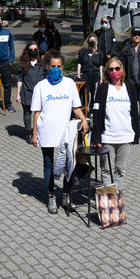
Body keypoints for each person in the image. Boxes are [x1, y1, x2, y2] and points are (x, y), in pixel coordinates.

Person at [31, 51, 89, 214]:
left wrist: (84, 119)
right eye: (53, 66)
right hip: (47, 130)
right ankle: (50, 196)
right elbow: (36, 112)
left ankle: (66, 195)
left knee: (69, 164)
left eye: (59, 66)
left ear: (62, 67)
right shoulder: (41, 86)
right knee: (48, 163)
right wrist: (34, 133)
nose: (56, 69)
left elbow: (75, 107)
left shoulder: (70, 83)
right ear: (47, 67)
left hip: (66, 132)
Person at [90, 57, 139, 190]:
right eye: (111, 69)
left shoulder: (129, 87)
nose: (114, 71)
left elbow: (134, 112)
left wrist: (136, 134)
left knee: (120, 170)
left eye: (117, 68)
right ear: (107, 71)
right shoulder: (103, 89)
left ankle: (117, 197)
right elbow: (97, 113)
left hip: (126, 137)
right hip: (108, 137)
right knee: (106, 170)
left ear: (122, 70)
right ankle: (109, 199)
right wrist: (96, 137)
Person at [16, 42, 46, 144]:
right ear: (27, 51)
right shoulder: (23, 64)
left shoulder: (42, 63)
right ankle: (28, 132)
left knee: (40, 113)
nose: (33, 51)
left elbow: (46, 78)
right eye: (31, 50)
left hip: (40, 93)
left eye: (35, 49)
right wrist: (18, 94)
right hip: (27, 92)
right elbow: (20, 79)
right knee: (27, 113)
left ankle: (38, 132)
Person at [77, 33, 103, 107]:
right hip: (86, 75)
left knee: (94, 93)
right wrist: (78, 75)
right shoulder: (83, 51)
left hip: (95, 75)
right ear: (88, 40)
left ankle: (93, 109)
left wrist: (101, 78)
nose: (92, 41)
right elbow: (79, 63)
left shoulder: (99, 52)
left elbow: (100, 65)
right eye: (90, 40)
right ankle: (85, 109)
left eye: (93, 40)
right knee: (85, 93)